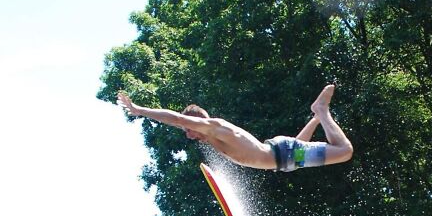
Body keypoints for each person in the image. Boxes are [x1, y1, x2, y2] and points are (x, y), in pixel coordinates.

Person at [116, 85, 353, 172]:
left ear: (196, 121)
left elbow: (176, 118)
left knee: (344, 151)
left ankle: (321, 110)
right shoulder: (211, 139)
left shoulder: (214, 127)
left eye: (189, 129)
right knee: (299, 152)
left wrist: (140, 110)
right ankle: (316, 117)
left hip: (283, 154)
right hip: (285, 158)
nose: (188, 135)